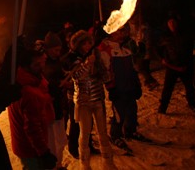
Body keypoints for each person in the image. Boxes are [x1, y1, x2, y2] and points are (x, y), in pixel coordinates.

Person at [64, 30, 117, 170]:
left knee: (103, 133)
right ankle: (84, 164)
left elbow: (105, 78)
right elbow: (76, 77)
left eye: (89, 42)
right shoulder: (73, 58)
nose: (87, 46)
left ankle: (108, 162)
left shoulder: (96, 55)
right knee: (85, 134)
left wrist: (106, 68)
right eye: (84, 43)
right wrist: (86, 64)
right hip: (83, 102)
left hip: (98, 99)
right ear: (78, 45)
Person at [8, 48, 58, 170]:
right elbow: (32, 127)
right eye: (37, 64)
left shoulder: (33, 77)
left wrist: (50, 93)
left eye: (43, 62)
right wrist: (44, 153)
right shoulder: (26, 91)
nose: (42, 67)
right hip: (30, 148)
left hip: (31, 145)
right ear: (26, 66)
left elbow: (40, 98)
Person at [99, 24, 145, 151]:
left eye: (123, 31)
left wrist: (137, 84)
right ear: (112, 33)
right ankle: (115, 135)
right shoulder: (106, 49)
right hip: (118, 88)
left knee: (132, 109)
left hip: (129, 85)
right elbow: (106, 71)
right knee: (119, 112)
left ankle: (130, 131)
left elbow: (133, 68)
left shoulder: (126, 47)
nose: (123, 33)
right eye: (119, 31)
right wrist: (111, 88)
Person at [157, 16, 195, 113]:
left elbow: (191, 50)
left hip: (185, 66)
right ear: (167, 25)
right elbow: (157, 49)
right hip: (172, 66)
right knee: (167, 88)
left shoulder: (185, 36)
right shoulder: (165, 37)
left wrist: (188, 64)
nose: (172, 24)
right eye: (170, 23)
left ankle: (192, 104)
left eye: (173, 22)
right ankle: (163, 107)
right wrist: (162, 59)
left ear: (177, 23)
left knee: (189, 87)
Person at [41, 32, 69, 170]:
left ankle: (58, 164)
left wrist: (65, 79)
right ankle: (53, 166)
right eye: (56, 50)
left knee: (61, 139)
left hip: (58, 105)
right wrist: (57, 84)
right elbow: (44, 83)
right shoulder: (42, 62)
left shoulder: (56, 61)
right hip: (48, 107)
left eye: (59, 50)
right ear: (48, 48)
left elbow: (59, 74)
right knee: (51, 142)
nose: (58, 53)